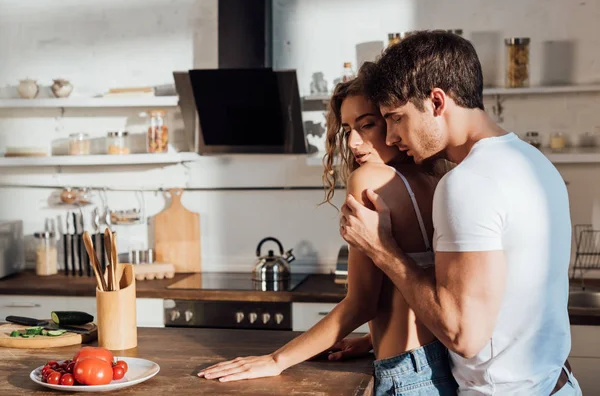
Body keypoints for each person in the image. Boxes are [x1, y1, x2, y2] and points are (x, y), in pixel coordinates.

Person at [339, 30, 581, 395]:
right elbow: (506, 301)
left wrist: (382, 250)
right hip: (557, 385)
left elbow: (462, 334)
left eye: (397, 118)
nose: (390, 137)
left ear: (437, 101)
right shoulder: (534, 162)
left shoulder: (468, 183)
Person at [197, 64, 458, 395]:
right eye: (348, 129)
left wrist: (277, 360)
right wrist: (368, 340)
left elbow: (361, 303)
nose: (354, 142)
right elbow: (411, 293)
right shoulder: (435, 180)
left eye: (368, 125)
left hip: (403, 376)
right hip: (438, 367)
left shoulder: (369, 179)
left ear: (394, 120)